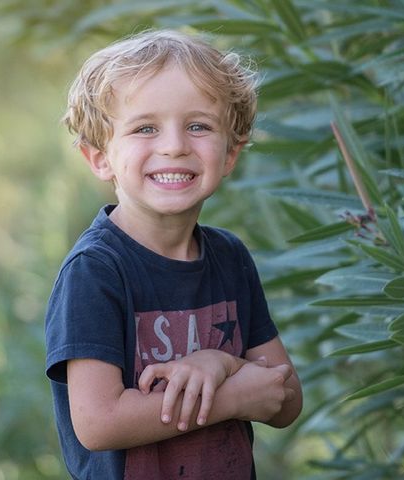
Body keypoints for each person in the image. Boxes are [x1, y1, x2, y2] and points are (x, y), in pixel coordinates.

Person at [44, 29, 303, 480]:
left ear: (230, 154)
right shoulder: (96, 271)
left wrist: (220, 362)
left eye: (198, 126)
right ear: (99, 157)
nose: (174, 145)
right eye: (145, 128)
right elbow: (98, 423)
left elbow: (284, 396)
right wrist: (230, 398)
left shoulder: (230, 257)